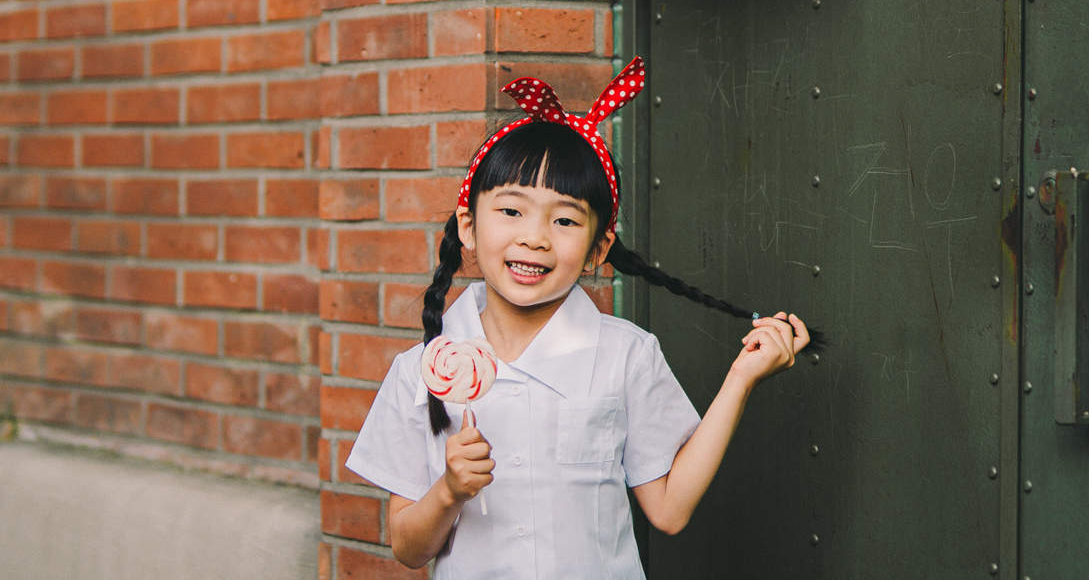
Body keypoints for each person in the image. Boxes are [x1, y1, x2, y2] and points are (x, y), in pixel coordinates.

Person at [344, 57, 813, 578]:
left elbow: (670, 509)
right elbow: (408, 549)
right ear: (468, 226)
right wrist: (450, 490)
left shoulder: (627, 353)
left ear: (598, 248)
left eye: (565, 219)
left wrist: (741, 378)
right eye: (511, 210)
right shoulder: (421, 370)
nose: (535, 237)